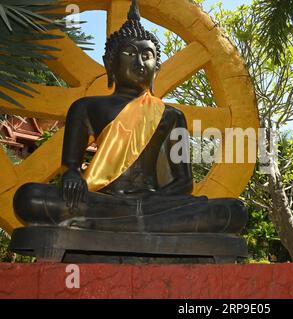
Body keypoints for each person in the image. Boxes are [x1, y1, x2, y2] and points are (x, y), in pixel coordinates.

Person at [12, 0, 247, 234]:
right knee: (29, 197)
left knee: (234, 211)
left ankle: (103, 227)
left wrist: (150, 202)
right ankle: (134, 225)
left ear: (157, 68)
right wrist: (72, 176)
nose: (139, 62)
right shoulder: (86, 108)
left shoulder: (171, 116)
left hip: (153, 204)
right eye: (129, 53)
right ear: (110, 63)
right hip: (103, 200)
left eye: (147, 55)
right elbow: (70, 168)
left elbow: (183, 182)